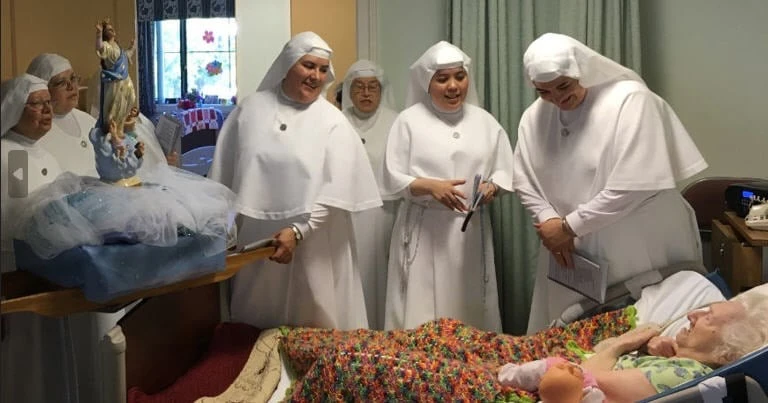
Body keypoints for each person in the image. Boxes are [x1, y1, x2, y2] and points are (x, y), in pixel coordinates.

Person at [513, 33, 709, 333]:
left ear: (580, 70)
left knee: (651, 329)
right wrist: (548, 220)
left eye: (564, 86)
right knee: (571, 332)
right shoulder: (534, 117)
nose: (557, 98)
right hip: (568, 246)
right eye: (544, 92)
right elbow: (524, 179)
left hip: (638, 238)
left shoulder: (630, 100)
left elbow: (634, 186)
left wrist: (568, 227)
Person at [279, 284, 768, 402]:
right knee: (438, 333)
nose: (694, 312)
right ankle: (295, 345)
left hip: (519, 393)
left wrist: (621, 343)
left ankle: (313, 361)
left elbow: (593, 375)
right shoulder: (675, 359)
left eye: (707, 317)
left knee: (357, 364)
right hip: (530, 372)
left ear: (726, 352)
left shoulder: (684, 376)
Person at [208, 32, 382, 330]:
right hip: (258, 243)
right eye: (308, 66)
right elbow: (225, 180)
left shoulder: (333, 121)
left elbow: (337, 191)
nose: (316, 76)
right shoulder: (249, 111)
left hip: (314, 243)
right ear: (288, 64)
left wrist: (299, 231)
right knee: (256, 325)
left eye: (323, 70)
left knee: (314, 323)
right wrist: (222, 233)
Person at [380, 41, 515, 332]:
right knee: (420, 309)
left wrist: (493, 187)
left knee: (469, 307)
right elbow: (392, 176)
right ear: (427, 83)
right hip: (424, 229)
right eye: (442, 79)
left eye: (459, 77)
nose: (453, 86)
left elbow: (505, 168)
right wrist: (430, 186)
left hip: (469, 231)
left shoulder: (485, 121)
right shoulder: (408, 122)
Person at [0, 74, 71, 403]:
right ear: (16, 109)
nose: (47, 110)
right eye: (38, 104)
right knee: (25, 357)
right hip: (17, 270)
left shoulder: (40, 152)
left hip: (46, 264)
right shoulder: (10, 155)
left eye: (47, 103)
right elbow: (20, 211)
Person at [341, 60, 400, 329]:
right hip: (348, 213)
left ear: (381, 90)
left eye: (372, 87)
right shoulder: (338, 122)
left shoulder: (396, 122)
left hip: (387, 212)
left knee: (383, 273)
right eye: (359, 87)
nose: (366, 93)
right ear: (349, 92)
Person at [25, 53, 98, 176]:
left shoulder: (89, 121)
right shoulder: (33, 132)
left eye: (73, 78)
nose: (72, 87)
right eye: (61, 83)